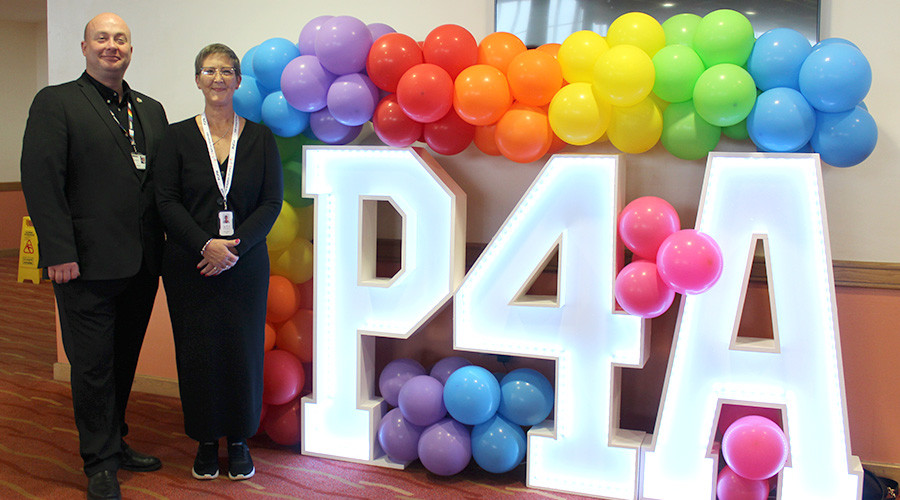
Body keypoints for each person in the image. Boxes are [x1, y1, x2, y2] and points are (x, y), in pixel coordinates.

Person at [19, 12, 168, 500]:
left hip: (143, 262)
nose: (112, 46)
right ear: (84, 47)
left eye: (120, 38)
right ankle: (99, 462)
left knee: (123, 359)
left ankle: (116, 440)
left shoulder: (150, 109)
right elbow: (42, 181)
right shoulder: (56, 102)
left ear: (130, 48)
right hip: (83, 264)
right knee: (92, 366)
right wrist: (57, 251)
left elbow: (160, 186)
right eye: (101, 38)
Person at [155, 43, 282, 481]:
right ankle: (206, 440)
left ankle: (240, 439)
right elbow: (166, 201)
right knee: (197, 351)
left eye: (227, 71)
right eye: (209, 71)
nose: (218, 78)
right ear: (197, 80)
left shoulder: (261, 137)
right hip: (191, 263)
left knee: (242, 352)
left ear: (238, 81)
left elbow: (271, 203)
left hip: (244, 266)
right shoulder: (174, 137)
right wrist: (205, 244)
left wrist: (233, 249)